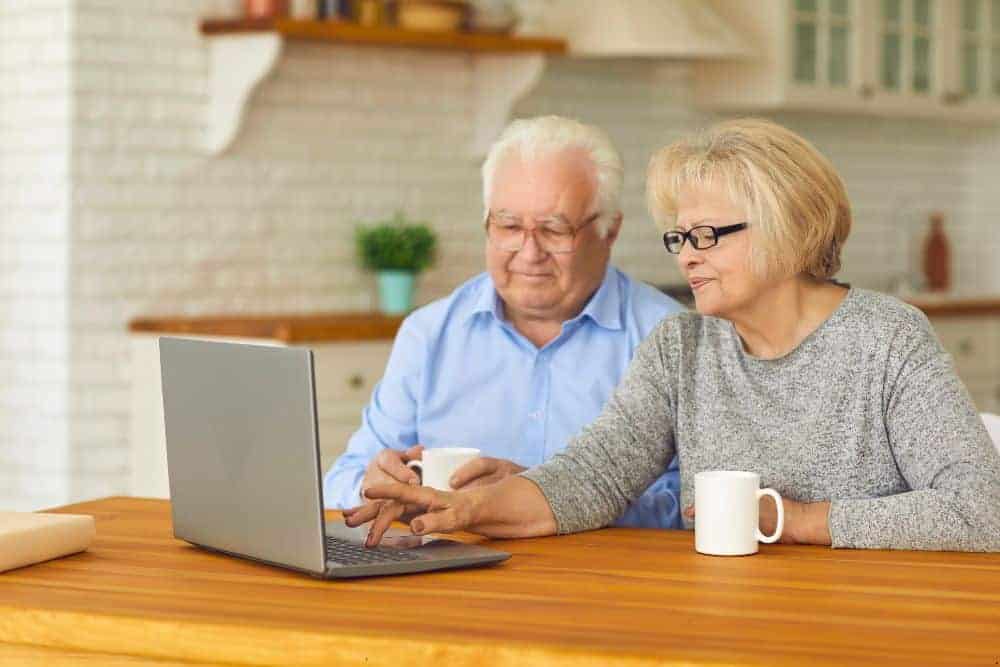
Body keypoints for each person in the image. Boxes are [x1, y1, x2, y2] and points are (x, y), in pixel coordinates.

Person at [347, 118, 1000, 552]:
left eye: (709, 235)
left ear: (789, 229)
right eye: (681, 236)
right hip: (720, 622)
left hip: (874, 625)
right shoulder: (681, 347)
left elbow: (981, 508)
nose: (688, 256)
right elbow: (591, 475)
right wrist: (463, 508)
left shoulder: (886, 340)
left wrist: (793, 518)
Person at [324, 115, 686, 528]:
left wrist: (542, 498)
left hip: (604, 585)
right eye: (509, 226)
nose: (529, 252)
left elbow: (694, 508)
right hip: (448, 582)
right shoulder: (429, 334)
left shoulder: (669, 339)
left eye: (554, 229)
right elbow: (340, 480)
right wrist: (376, 486)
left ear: (609, 231)